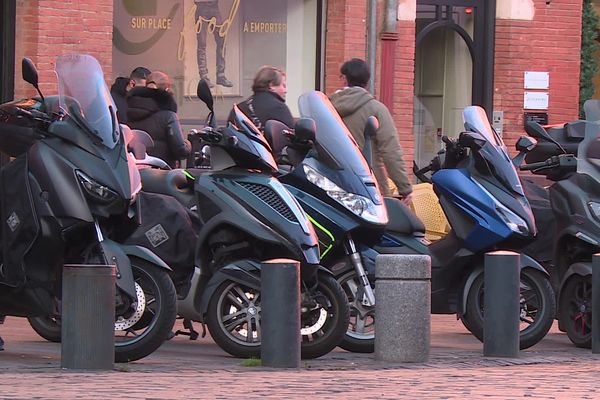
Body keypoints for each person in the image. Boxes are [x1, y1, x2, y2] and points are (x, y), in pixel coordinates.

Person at [330, 58, 413, 204]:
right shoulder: (377, 109)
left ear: (344, 79)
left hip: (333, 184)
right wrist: (404, 188)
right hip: (370, 186)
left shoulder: (327, 108)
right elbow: (391, 151)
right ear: (367, 81)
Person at [126, 71, 191, 168]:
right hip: (162, 173)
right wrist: (188, 145)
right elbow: (181, 150)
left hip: (135, 172)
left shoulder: (129, 111)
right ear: (167, 89)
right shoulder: (169, 116)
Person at [228, 65, 294, 136]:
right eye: (283, 86)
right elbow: (291, 138)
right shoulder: (279, 108)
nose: (285, 91)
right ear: (271, 85)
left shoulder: (238, 109)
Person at [195, 0, 233, 88]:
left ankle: (220, 75)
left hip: (214, 6)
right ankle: (204, 77)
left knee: (221, 41)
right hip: (201, 6)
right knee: (202, 43)